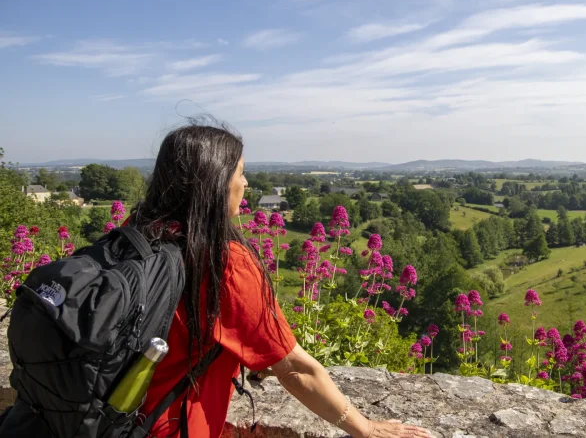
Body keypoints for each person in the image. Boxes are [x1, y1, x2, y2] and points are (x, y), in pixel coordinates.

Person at [131, 123, 430, 438]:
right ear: (216, 182)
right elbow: (294, 368)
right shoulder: (224, 262)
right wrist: (366, 428)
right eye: (240, 172)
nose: (245, 182)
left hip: (104, 417)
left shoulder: (131, 233)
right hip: (170, 429)